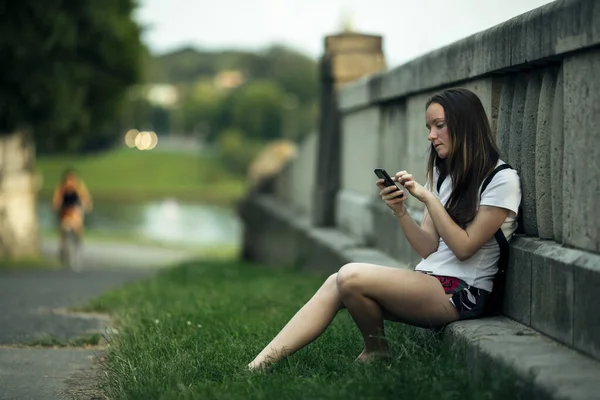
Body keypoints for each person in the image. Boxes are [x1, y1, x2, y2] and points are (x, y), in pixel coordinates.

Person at [247, 88, 522, 371]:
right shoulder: (443, 174)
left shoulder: (502, 180)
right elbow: (428, 247)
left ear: (465, 124)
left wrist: (428, 198)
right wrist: (401, 211)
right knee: (336, 282)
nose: (431, 135)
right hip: (432, 281)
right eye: (429, 127)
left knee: (350, 276)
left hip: (464, 293)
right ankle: (257, 366)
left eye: (439, 126)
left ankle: (375, 351)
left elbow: (464, 249)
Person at [52, 168, 93, 257]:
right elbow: (56, 199)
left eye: (72, 179)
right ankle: (63, 247)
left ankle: (79, 241)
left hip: (74, 209)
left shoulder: (78, 187)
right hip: (65, 210)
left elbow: (85, 197)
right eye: (68, 179)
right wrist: (56, 205)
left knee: (78, 223)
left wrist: (86, 205)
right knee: (63, 227)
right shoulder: (61, 188)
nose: (70, 182)